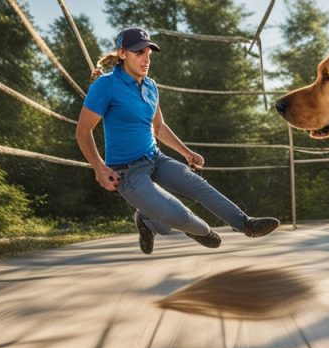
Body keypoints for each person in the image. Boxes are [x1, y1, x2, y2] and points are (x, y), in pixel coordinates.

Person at [76, 27, 279, 253]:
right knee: (174, 215)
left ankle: (246, 224)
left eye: (148, 53)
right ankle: (166, 224)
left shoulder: (151, 86)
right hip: (127, 171)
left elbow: (159, 127)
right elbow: (83, 131)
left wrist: (186, 153)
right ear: (122, 53)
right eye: (139, 53)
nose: (146, 59)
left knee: (198, 186)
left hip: (156, 159)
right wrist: (99, 168)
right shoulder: (105, 85)